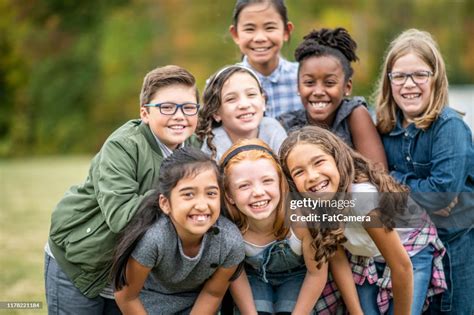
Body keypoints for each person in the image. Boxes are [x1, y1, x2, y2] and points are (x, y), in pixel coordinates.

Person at [44, 65, 202, 314]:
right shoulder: (123, 146)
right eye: (167, 107)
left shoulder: (194, 148)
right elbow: (120, 217)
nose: (179, 115)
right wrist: (177, 197)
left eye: (188, 107)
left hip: (130, 275)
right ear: (145, 113)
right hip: (83, 262)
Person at [280, 126, 447, 315]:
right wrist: (356, 311)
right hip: (365, 256)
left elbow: (401, 266)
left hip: (410, 251)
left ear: (337, 159)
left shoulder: (362, 199)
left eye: (318, 162)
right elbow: (338, 258)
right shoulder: (314, 202)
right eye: (299, 172)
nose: (312, 176)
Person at [374, 28, 474, 314]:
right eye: (400, 76)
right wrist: (419, 189)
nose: (409, 84)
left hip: (454, 249)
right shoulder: (384, 128)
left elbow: (442, 195)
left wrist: (393, 181)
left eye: (419, 74)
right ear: (389, 81)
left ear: (435, 78)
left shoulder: (449, 127)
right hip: (411, 250)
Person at [111, 147, 245, 314]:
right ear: (165, 204)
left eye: (211, 193)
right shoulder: (153, 239)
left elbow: (212, 293)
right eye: (188, 194)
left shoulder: (230, 241)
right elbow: (127, 296)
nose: (202, 205)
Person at [221, 139, 327, 314]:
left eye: (267, 181)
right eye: (244, 185)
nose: (258, 192)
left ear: (281, 183)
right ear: (229, 195)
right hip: (253, 278)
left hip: (298, 277)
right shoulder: (230, 227)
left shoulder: (301, 218)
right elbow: (237, 276)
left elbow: (316, 274)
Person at [278, 27, 387, 169]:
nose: (318, 91)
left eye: (329, 83)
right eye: (309, 83)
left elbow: (380, 173)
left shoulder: (354, 115)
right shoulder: (287, 126)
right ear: (298, 87)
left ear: (347, 87)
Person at [229, 0, 303, 118]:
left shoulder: (305, 79)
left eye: (270, 28)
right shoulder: (222, 85)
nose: (260, 38)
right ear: (235, 34)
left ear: (286, 31)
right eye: (249, 29)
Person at [197, 65, 286, 162]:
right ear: (216, 113)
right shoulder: (212, 146)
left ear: (263, 102)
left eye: (251, 94)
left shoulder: (273, 130)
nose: (244, 105)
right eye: (231, 99)